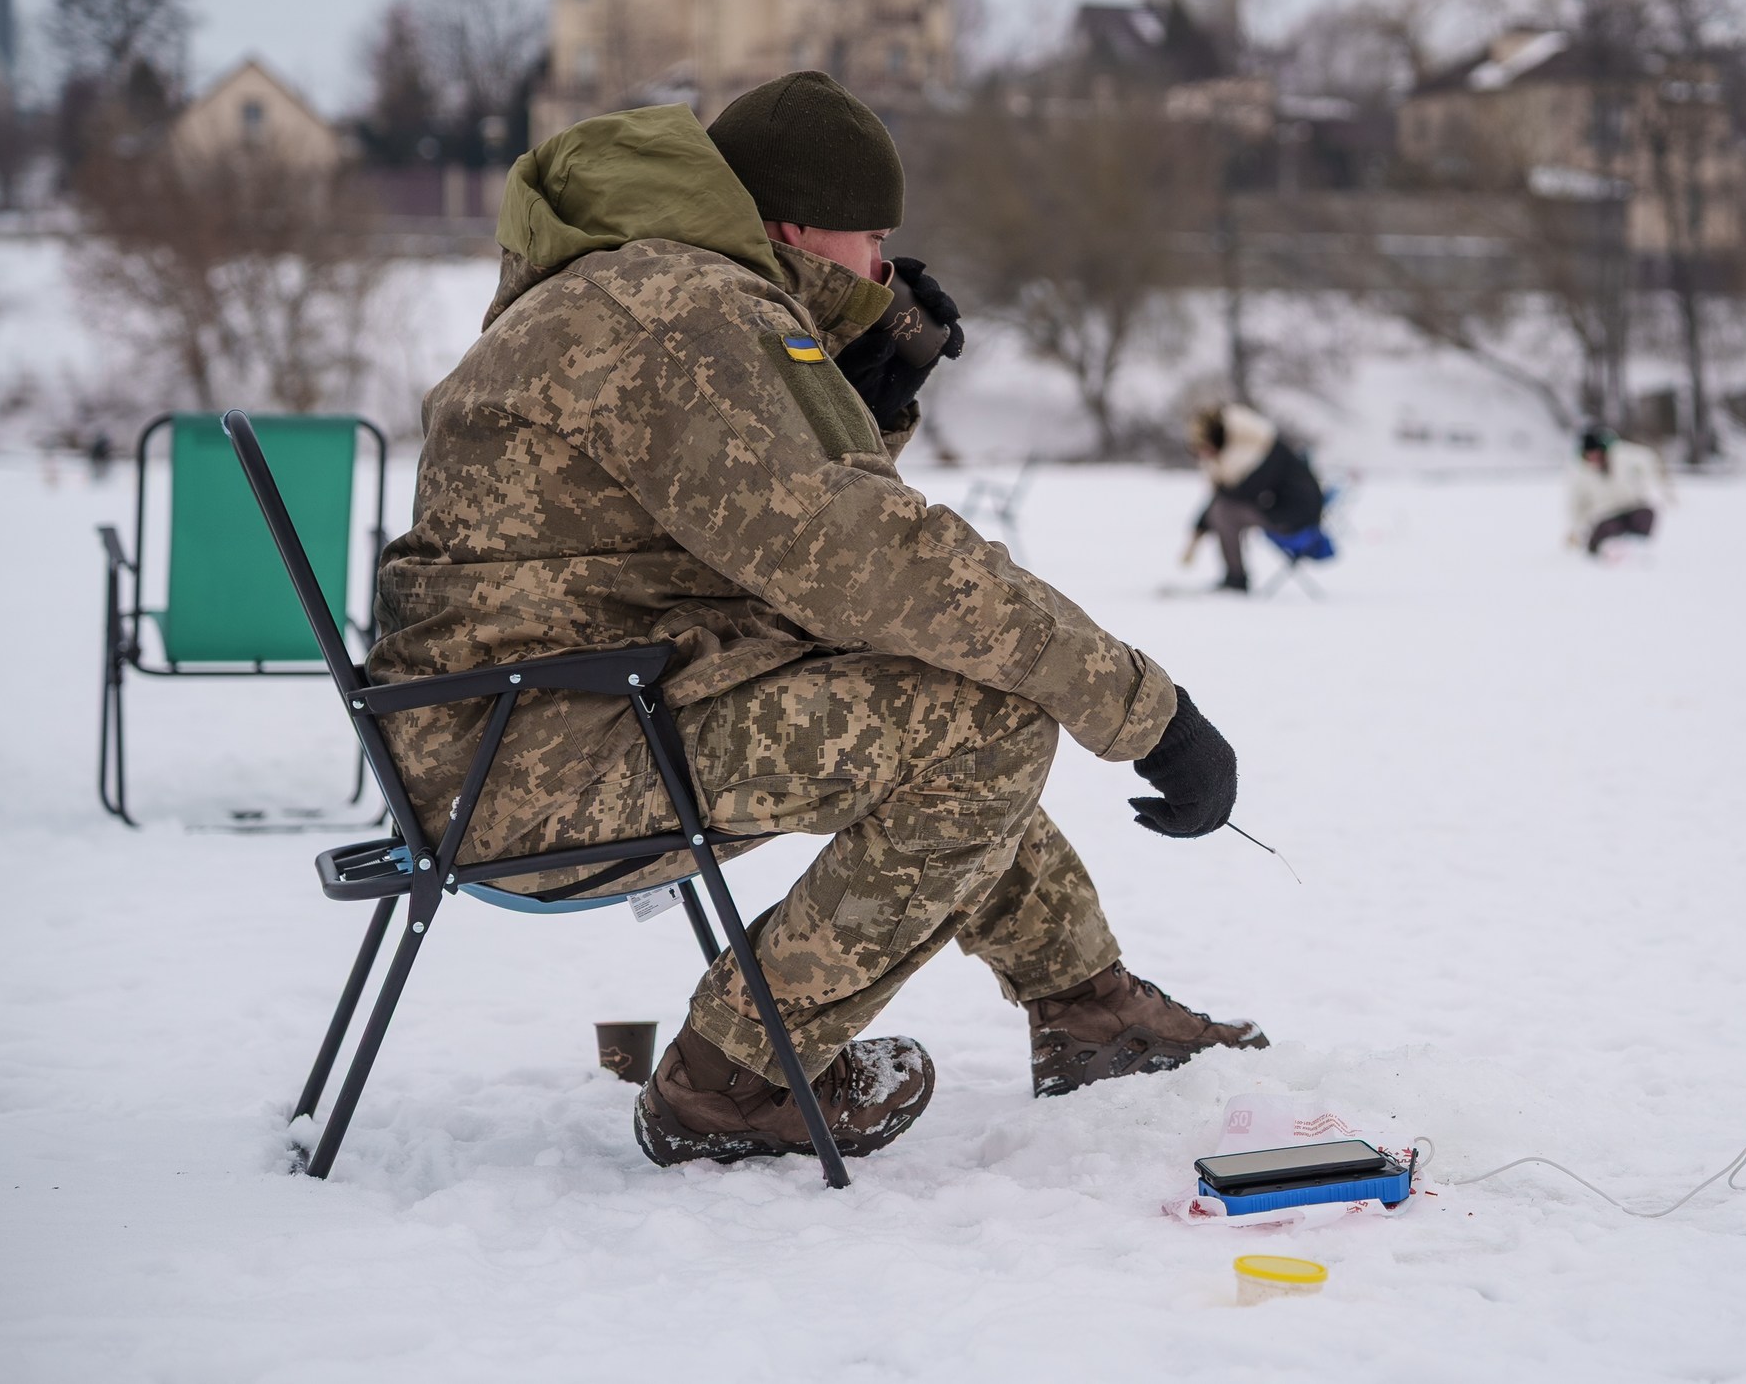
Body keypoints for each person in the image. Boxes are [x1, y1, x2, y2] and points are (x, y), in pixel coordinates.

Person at [369, 75, 1265, 1171]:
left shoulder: (644, 288)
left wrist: (865, 401)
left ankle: (1089, 1009)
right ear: (794, 225)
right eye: (871, 238)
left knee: (939, 689)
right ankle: (735, 1078)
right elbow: (864, 559)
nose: (882, 268)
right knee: (977, 726)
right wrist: (1148, 714)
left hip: (536, 723)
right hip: (532, 765)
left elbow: (766, 548)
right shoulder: (681, 312)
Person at [1184, 402, 1329, 593]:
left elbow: (1240, 493)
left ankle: (1236, 578)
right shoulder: (1257, 447)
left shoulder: (1259, 453)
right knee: (1223, 510)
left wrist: (1217, 478)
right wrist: (1198, 528)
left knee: (1224, 513)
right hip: (1285, 512)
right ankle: (1235, 575)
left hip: (1295, 519)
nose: (1203, 456)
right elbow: (1229, 494)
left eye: (1204, 448)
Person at [1565, 426, 1665, 556]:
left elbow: (1648, 458)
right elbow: (1576, 505)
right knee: (1609, 527)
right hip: (1604, 517)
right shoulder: (1581, 474)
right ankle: (1605, 550)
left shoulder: (1622, 456)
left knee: (1646, 514)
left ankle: (1636, 548)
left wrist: (1654, 483)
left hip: (1631, 509)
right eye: (1589, 455)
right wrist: (1575, 531)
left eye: (1597, 453)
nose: (1594, 457)